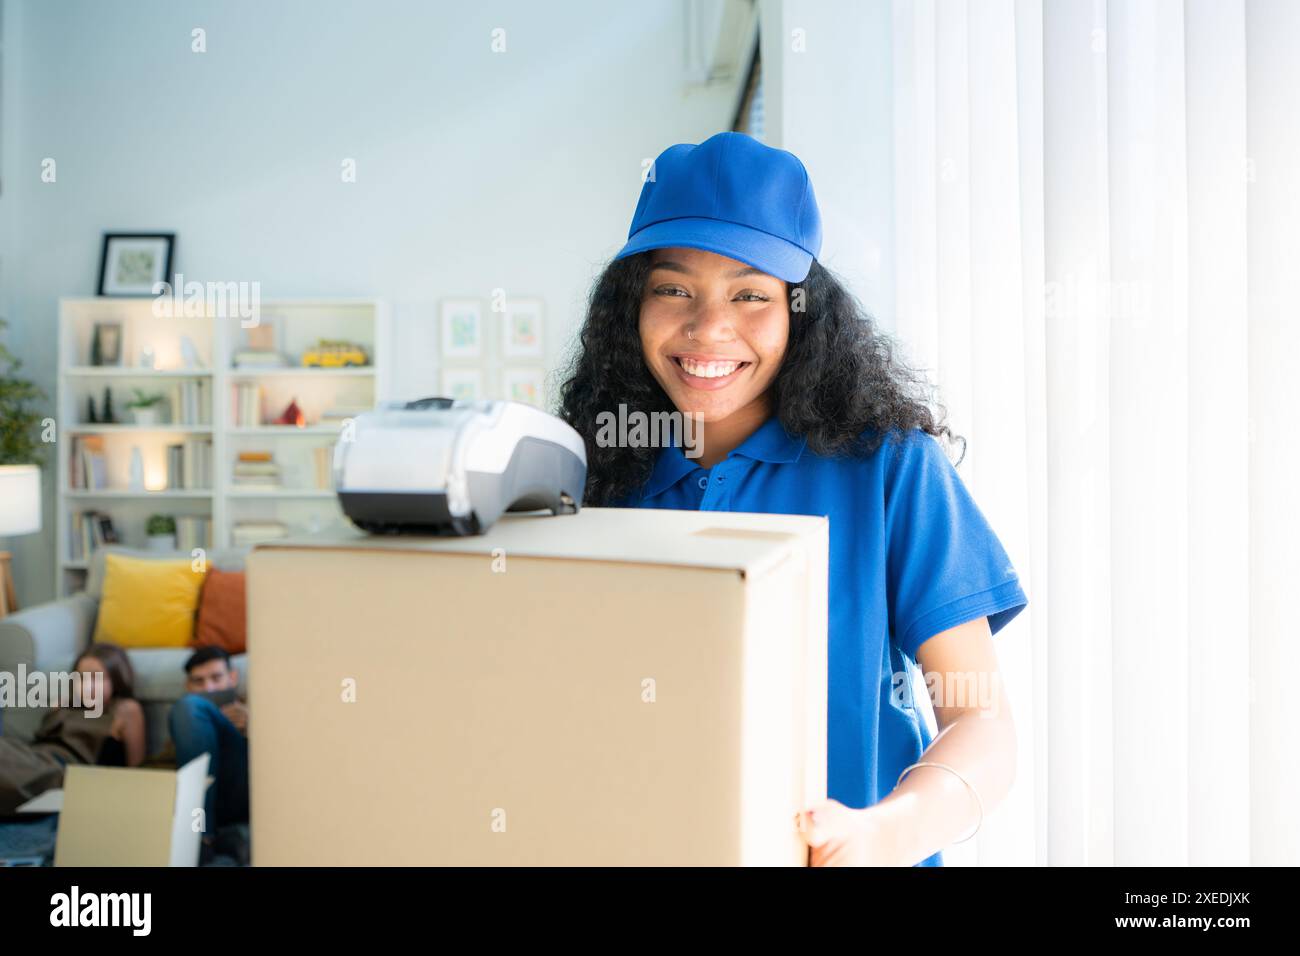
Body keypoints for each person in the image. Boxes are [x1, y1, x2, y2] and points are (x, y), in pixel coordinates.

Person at [558, 131, 1029, 866]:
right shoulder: (581, 473)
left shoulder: (889, 469)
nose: (708, 328)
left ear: (800, 313)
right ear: (631, 307)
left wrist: (887, 831)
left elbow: (983, 722)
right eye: (673, 288)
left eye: (750, 294)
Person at [0, 642, 145, 814]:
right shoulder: (64, 705)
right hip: (32, 759)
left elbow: (137, 770)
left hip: (63, 774)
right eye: (81, 678)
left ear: (117, 679)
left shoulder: (125, 710)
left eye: (97, 678)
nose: (87, 686)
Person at [167, 646, 249, 842]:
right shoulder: (184, 714)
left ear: (233, 677)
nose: (209, 688)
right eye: (199, 681)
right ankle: (202, 840)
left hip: (243, 787)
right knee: (189, 708)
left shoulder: (255, 707)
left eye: (216, 678)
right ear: (188, 685)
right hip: (199, 794)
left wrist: (253, 727)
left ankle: (198, 840)